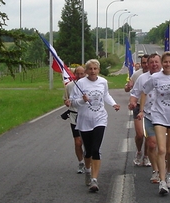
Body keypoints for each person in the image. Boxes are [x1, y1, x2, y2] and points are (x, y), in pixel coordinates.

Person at [138, 51, 170, 195]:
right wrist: (141, 109)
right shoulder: (155, 78)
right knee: (161, 149)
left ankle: (169, 172)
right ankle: (162, 181)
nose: (167, 65)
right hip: (158, 115)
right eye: (165, 62)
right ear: (162, 63)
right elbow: (144, 91)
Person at [71, 59, 120, 193]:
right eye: (90, 69)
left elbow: (106, 95)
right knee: (88, 151)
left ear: (98, 70)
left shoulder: (103, 82)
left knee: (96, 149)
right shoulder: (80, 83)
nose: (93, 71)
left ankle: (94, 179)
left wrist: (113, 104)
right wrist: (82, 100)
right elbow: (73, 102)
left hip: (100, 118)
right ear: (86, 71)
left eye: (95, 69)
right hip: (84, 120)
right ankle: (88, 170)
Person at [130, 53, 162, 183]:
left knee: (163, 147)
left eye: (156, 62)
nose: (154, 64)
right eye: (151, 62)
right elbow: (135, 93)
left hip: (164, 116)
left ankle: (165, 170)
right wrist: (132, 102)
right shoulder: (142, 78)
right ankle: (155, 170)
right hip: (146, 113)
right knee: (149, 141)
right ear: (147, 64)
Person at [125, 55, 150, 166]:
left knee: (149, 135)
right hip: (138, 106)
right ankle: (139, 151)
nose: (145, 65)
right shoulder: (137, 75)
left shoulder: (156, 75)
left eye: (147, 62)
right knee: (140, 134)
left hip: (151, 108)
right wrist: (128, 87)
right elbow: (128, 89)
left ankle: (147, 156)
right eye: (143, 63)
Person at [63, 66, 87, 173]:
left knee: (87, 142)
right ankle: (81, 162)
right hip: (74, 116)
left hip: (87, 116)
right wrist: (67, 102)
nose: (80, 76)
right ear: (75, 74)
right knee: (78, 142)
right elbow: (65, 99)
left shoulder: (89, 85)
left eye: (82, 74)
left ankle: (88, 161)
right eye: (78, 74)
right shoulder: (69, 86)